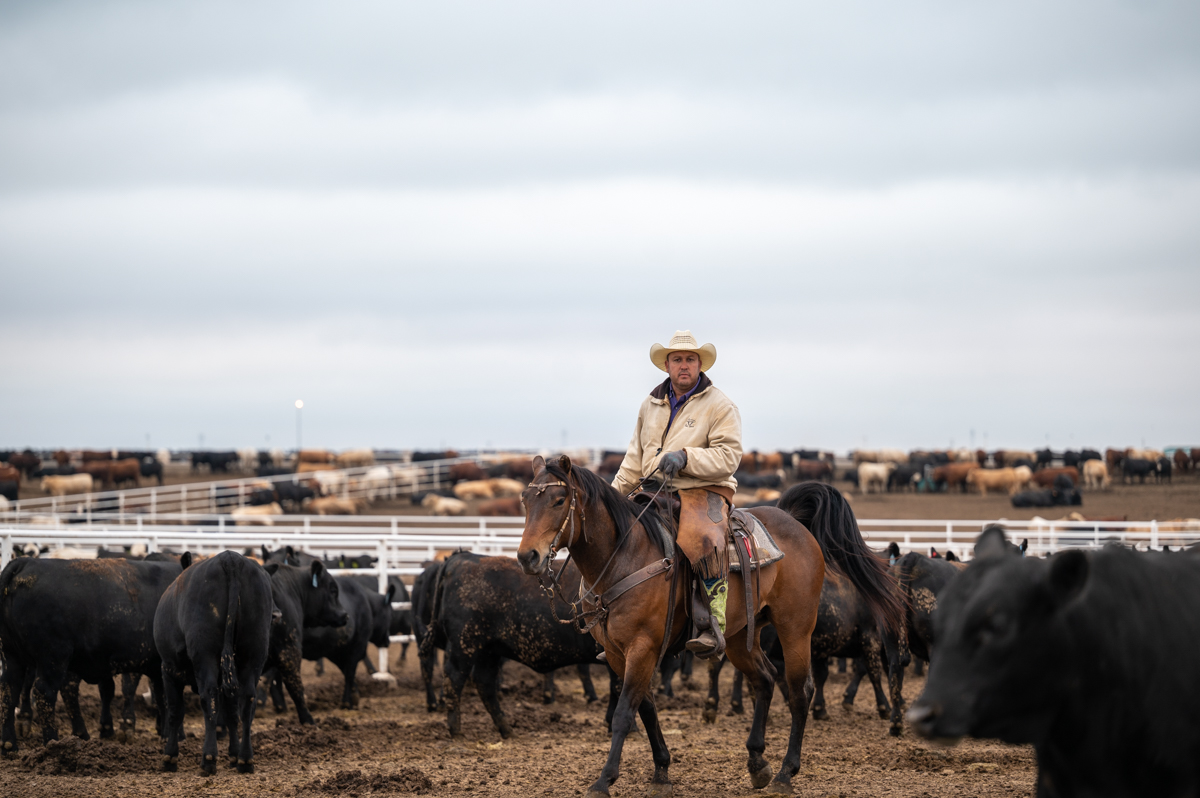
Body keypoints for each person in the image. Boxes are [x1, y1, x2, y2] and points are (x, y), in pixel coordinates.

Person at [610, 330, 742, 659]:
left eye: (690, 360)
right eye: (678, 360)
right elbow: (633, 460)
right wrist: (611, 499)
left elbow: (729, 456)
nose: (684, 365)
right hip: (656, 490)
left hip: (704, 490)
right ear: (667, 365)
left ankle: (713, 621)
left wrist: (686, 457)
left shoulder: (720, 405)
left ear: (700, 365)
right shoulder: (650, 404)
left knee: (705, 538)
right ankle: (615, 621)